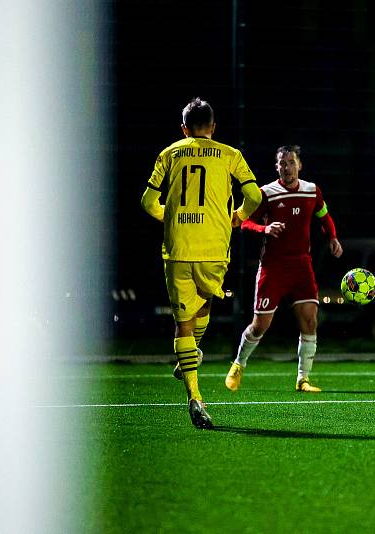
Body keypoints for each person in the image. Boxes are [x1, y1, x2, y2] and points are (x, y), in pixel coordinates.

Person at [141, 97, 262, 429]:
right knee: (205, 301)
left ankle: (194, 395)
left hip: (178, 247)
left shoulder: (170, 153)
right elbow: (255, 196)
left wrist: (172, 217)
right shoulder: (230, 155)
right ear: (213, 127)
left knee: (182, 323)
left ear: (184, 128)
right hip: (213, 247)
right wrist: (237, 216)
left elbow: (148, 201)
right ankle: (191, 355)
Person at [224, 145, 343, 393]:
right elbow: (244, 222)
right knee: (260, 325)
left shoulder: (312, 191)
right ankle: (238, 363)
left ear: (300, 165)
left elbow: (324, 216)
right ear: (276, 167)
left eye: (291, 162)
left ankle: (303, 379)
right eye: (282, 163)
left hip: (302, 266)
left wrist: (332, 237)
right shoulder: (266, 193)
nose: (287, 167)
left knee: (310, 321)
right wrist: (264, 229)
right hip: (273, 267)